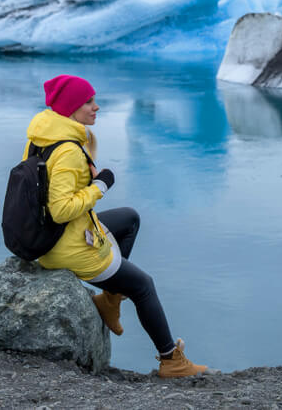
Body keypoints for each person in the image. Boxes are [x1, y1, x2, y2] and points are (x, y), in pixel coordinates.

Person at [24, 74, 207, 378]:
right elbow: (60, 210)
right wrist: (100, 186)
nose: (96, 107)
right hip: (68, 246)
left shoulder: (42, 137)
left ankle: (109, 300)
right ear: (71, 107)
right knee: (144, 286)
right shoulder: (68, 150)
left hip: (47, 238)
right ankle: (171, 359)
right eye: (88, 102)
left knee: (129, 219)